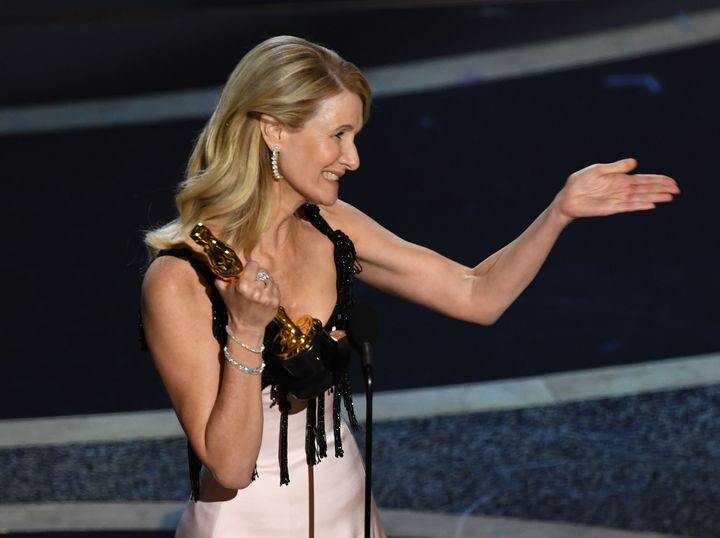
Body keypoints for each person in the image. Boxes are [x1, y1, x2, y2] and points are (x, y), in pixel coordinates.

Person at [140, 35, 678, 538]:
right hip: (248, 523)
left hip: (347, 500)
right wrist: (246, 330)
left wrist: (559, 212)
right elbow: (230, 466)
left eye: (354, 136)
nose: (352, 158)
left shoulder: (333, 227)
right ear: (274, 129)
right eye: (338, 135)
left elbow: (475, 294)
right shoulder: (180, 278)